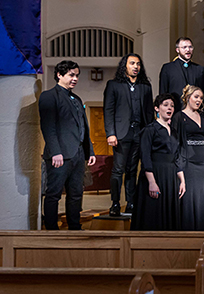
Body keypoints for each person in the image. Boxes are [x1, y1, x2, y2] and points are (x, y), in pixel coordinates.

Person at [39, 60, 96, 230]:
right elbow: (48, 127)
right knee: (53, 194)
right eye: (71, 75)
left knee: (76, 193)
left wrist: (89, 151)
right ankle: (51, 229)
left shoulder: (76, 98)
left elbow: (83, 127)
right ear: (59, 75)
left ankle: (74, 226)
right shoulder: (49, 96)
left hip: (77, 154)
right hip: (59, 155)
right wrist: (56, 152)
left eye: (77, 75)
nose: (75, 79)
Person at [103, 53, 154, 216]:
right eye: (132, 63)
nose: (136, 67)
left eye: (138, 64)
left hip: (139, 133)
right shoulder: (113, 85)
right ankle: (115, 203)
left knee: (133, 170)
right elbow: (108, 110)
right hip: (121, 134)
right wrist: (111, 133)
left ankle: (131, 203)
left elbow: (148, 112)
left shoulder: (145, 86)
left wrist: (149, 134)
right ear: (125, 65)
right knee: (118, 170)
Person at [131, 93, 184, 231]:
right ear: (156, 108)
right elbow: (146, 157)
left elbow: (177, 156)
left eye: (172, 106)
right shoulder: (150, 130)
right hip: (155, 174)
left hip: (170, 175)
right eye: (165, 105)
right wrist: (152, 182)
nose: (169, 108)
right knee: (153, 214)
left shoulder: (173, 131)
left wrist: (182, 180)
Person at [173, 85, 204, 231]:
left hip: (202, 161)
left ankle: (202, 231)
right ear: (187, 97)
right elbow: (175, 143)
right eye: (196, 97)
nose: (199, 100)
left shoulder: (202, 116)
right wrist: (179, 164)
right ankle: (188, 232)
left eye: (201, 98)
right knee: (190, 198)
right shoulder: (179, 117)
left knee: (201, 198)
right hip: (188, 162)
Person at [159, 37, 204, 107]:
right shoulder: (168, 68)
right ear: (177, 50)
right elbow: (163, 92)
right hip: (175, 110)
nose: (188, 50)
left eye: (190, 47)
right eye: (184, 47)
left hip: (195, 111)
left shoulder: (199, 69)